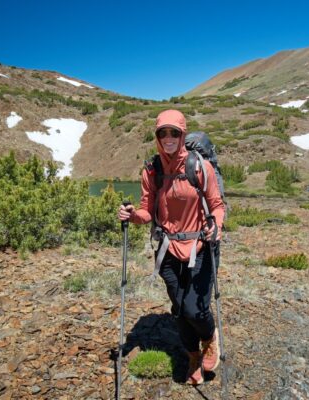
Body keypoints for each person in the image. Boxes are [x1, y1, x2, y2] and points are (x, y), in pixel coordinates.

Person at [117, 109, 225, 385]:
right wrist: (132, 215)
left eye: (174, 132)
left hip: (200, 246)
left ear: (182, 135)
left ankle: (210, 339)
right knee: (178, 309)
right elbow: (146, 212)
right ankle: (193, 357)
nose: (168, 137)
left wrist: (217, 227)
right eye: (162, 132)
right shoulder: (152, 171)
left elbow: (216, 205)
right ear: (157, 136)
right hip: (168, 250)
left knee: (195, 309)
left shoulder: (200, 167)